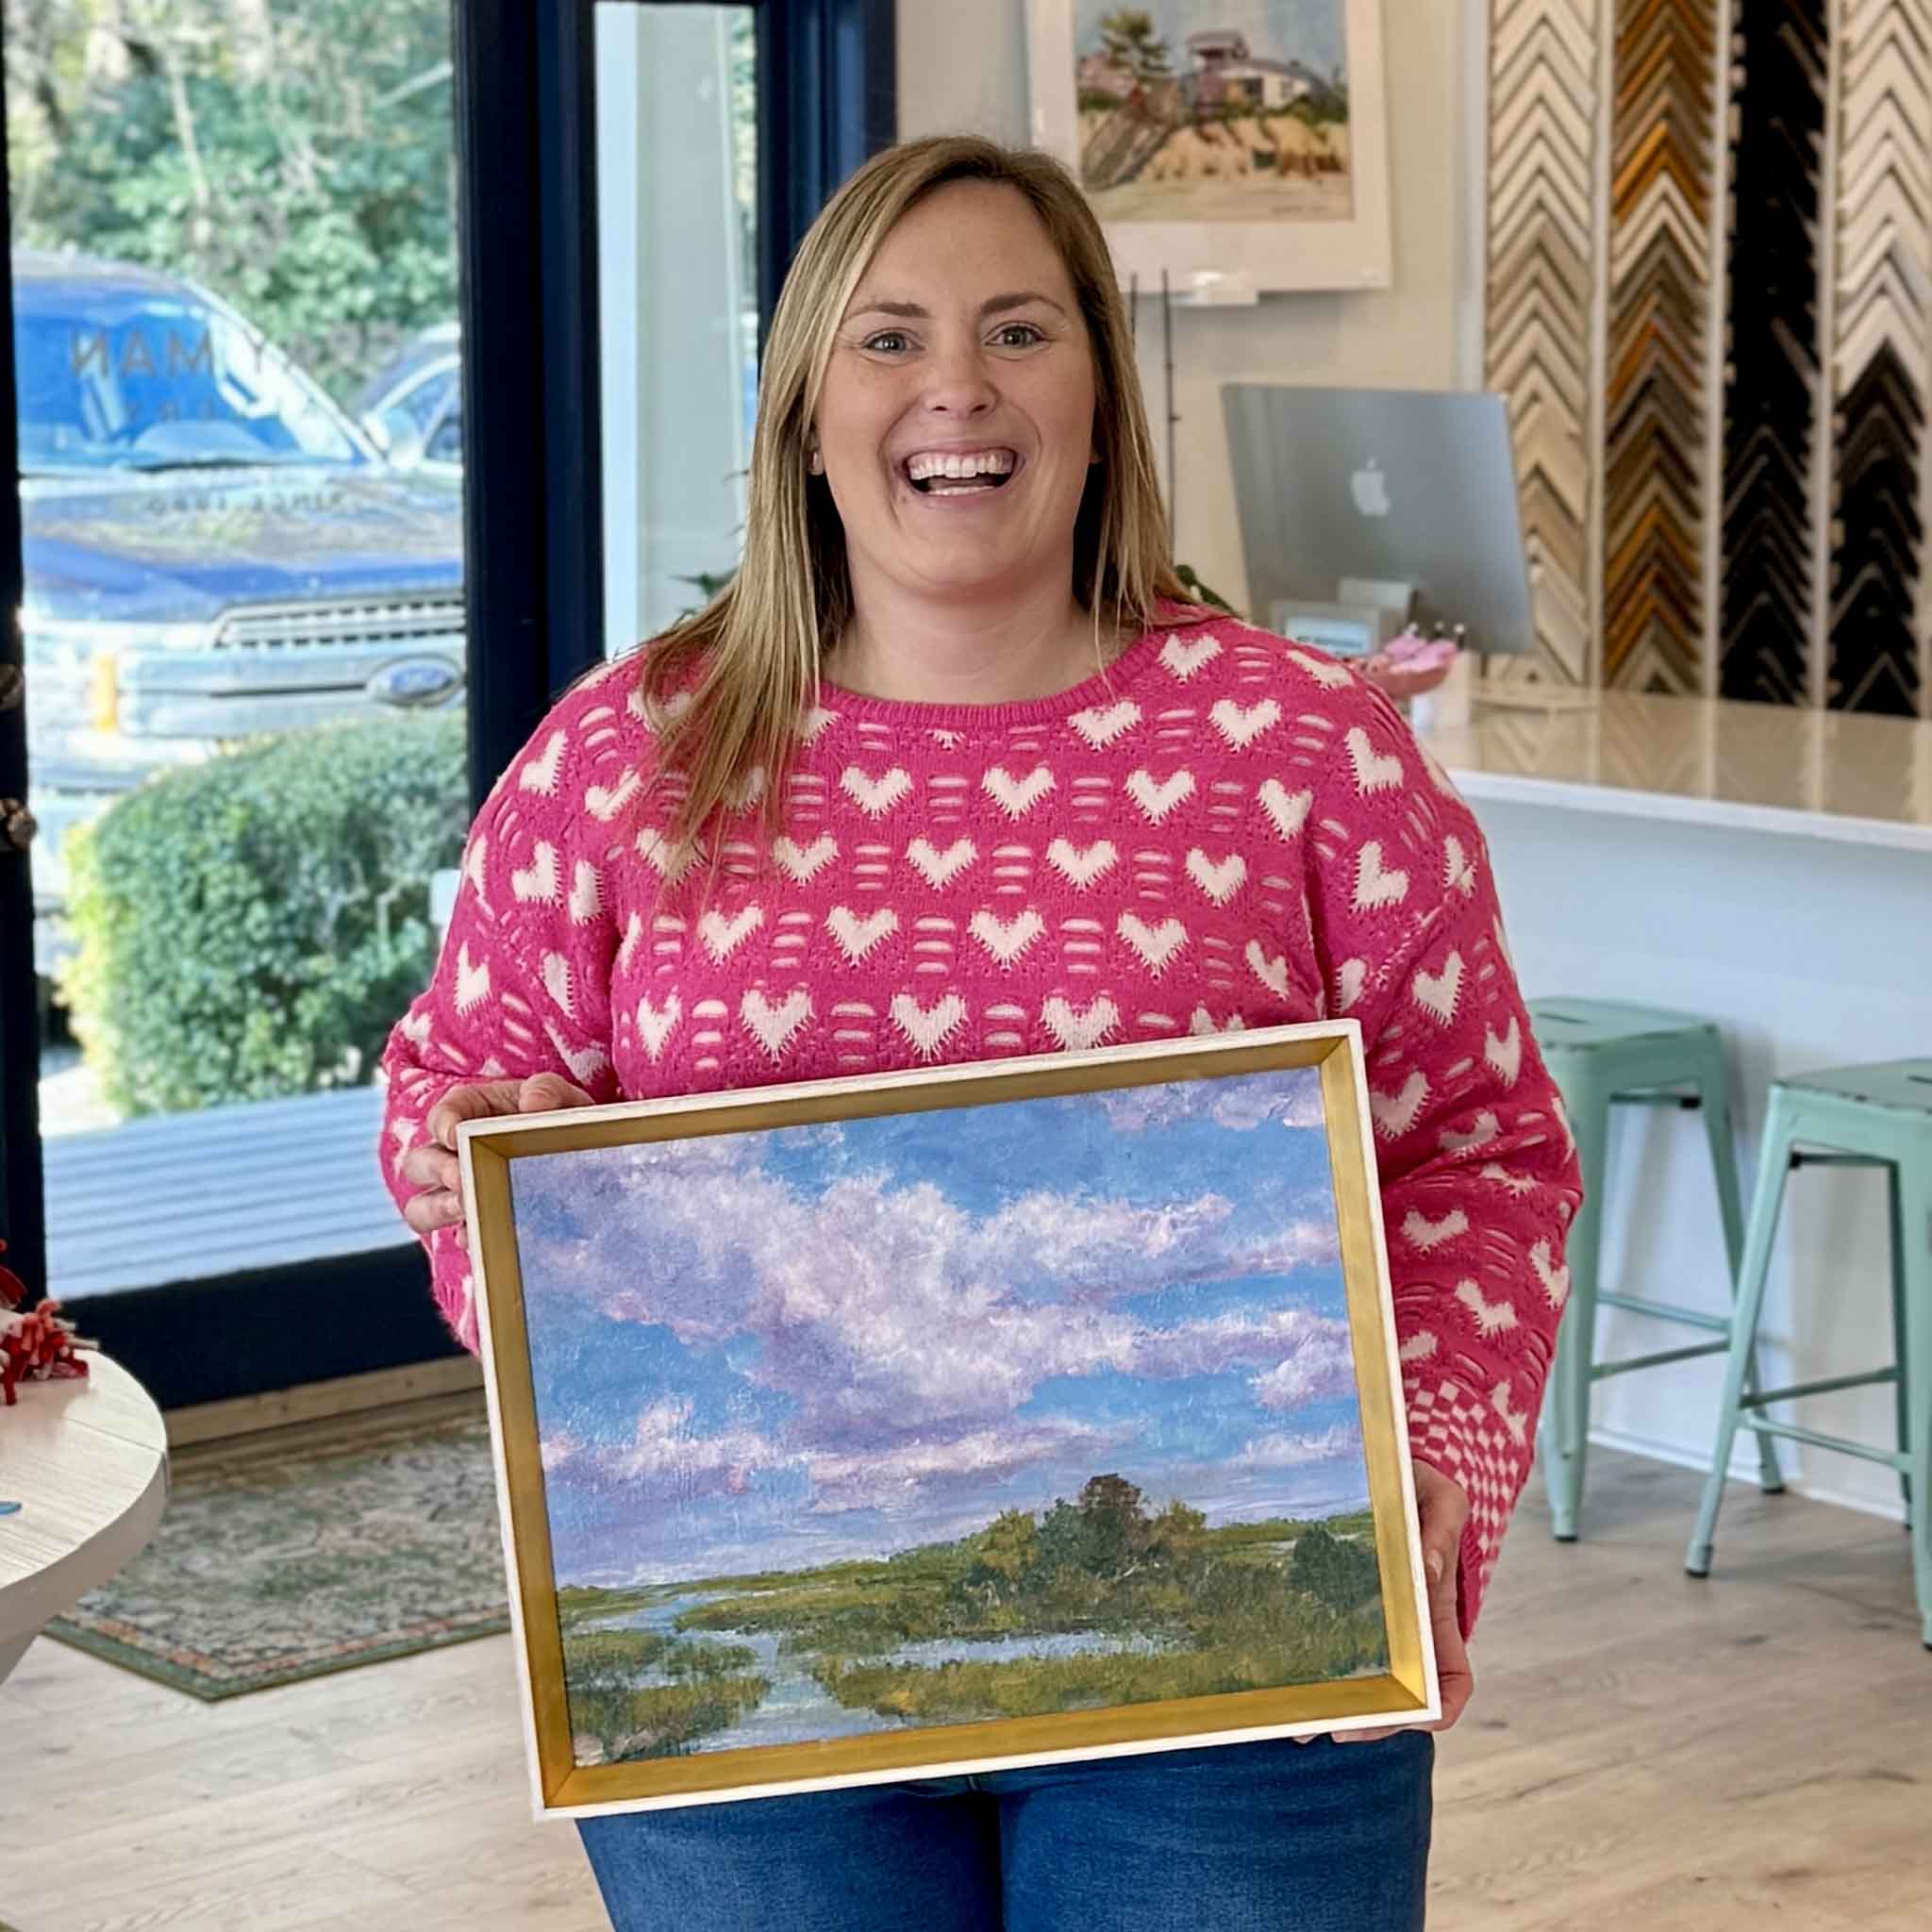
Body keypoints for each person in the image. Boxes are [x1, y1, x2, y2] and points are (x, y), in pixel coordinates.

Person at [381, 133, 1581, 1932]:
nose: (956, 388)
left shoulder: (1309, 750)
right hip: (749, 1715)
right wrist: (532, 1209)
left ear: (1101, 395)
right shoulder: (627, 760)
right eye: (887, 340)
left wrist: (1426, 1461)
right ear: (802, 412)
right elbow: (434, 1111)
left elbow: (1481, 1149)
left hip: (1247, 1692)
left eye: (1020, 332)